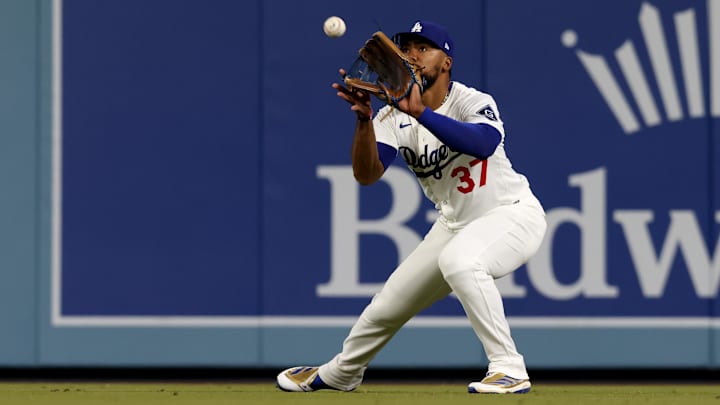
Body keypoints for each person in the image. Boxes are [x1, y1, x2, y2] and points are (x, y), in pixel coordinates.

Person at [276, 20, 547, 394]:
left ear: (446, 62)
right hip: (454, 224)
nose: (413, 55)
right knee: (387, 306)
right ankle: (343, 372)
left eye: (425, 48)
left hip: (511, 213)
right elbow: (367, 175)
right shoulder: (393, 116)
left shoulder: (471, 100)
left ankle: (509, 368)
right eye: (408, 48)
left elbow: (483, 144)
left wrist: (423, 114)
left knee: (462, 261)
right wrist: (364, 122)